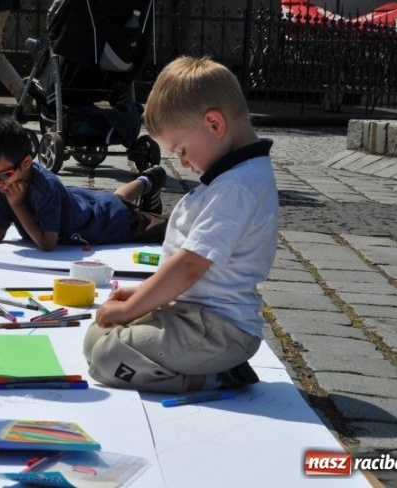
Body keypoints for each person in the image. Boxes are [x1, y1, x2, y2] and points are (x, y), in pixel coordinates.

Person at [82, 56, 278, 394]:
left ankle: (217, 376)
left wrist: (133, 307)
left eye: (182, 150)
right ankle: (200, 367)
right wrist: (142, 296)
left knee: (108, 358)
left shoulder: (239, 186)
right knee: (95, 339)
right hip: (190, 315)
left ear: (214, 124)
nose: (184, 163)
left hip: (220, 331)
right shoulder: (229, 176)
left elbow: (189, 265)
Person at [0, 116, 168, 251]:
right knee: (116, 199)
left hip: (110, 222)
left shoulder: (46, 188)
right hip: (91, 204)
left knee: (170, 229)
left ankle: (149, 185)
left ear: (26, 162)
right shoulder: (3, 184)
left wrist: (17, 205)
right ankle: (146, 180)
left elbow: (47, 243)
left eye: (2, 175)